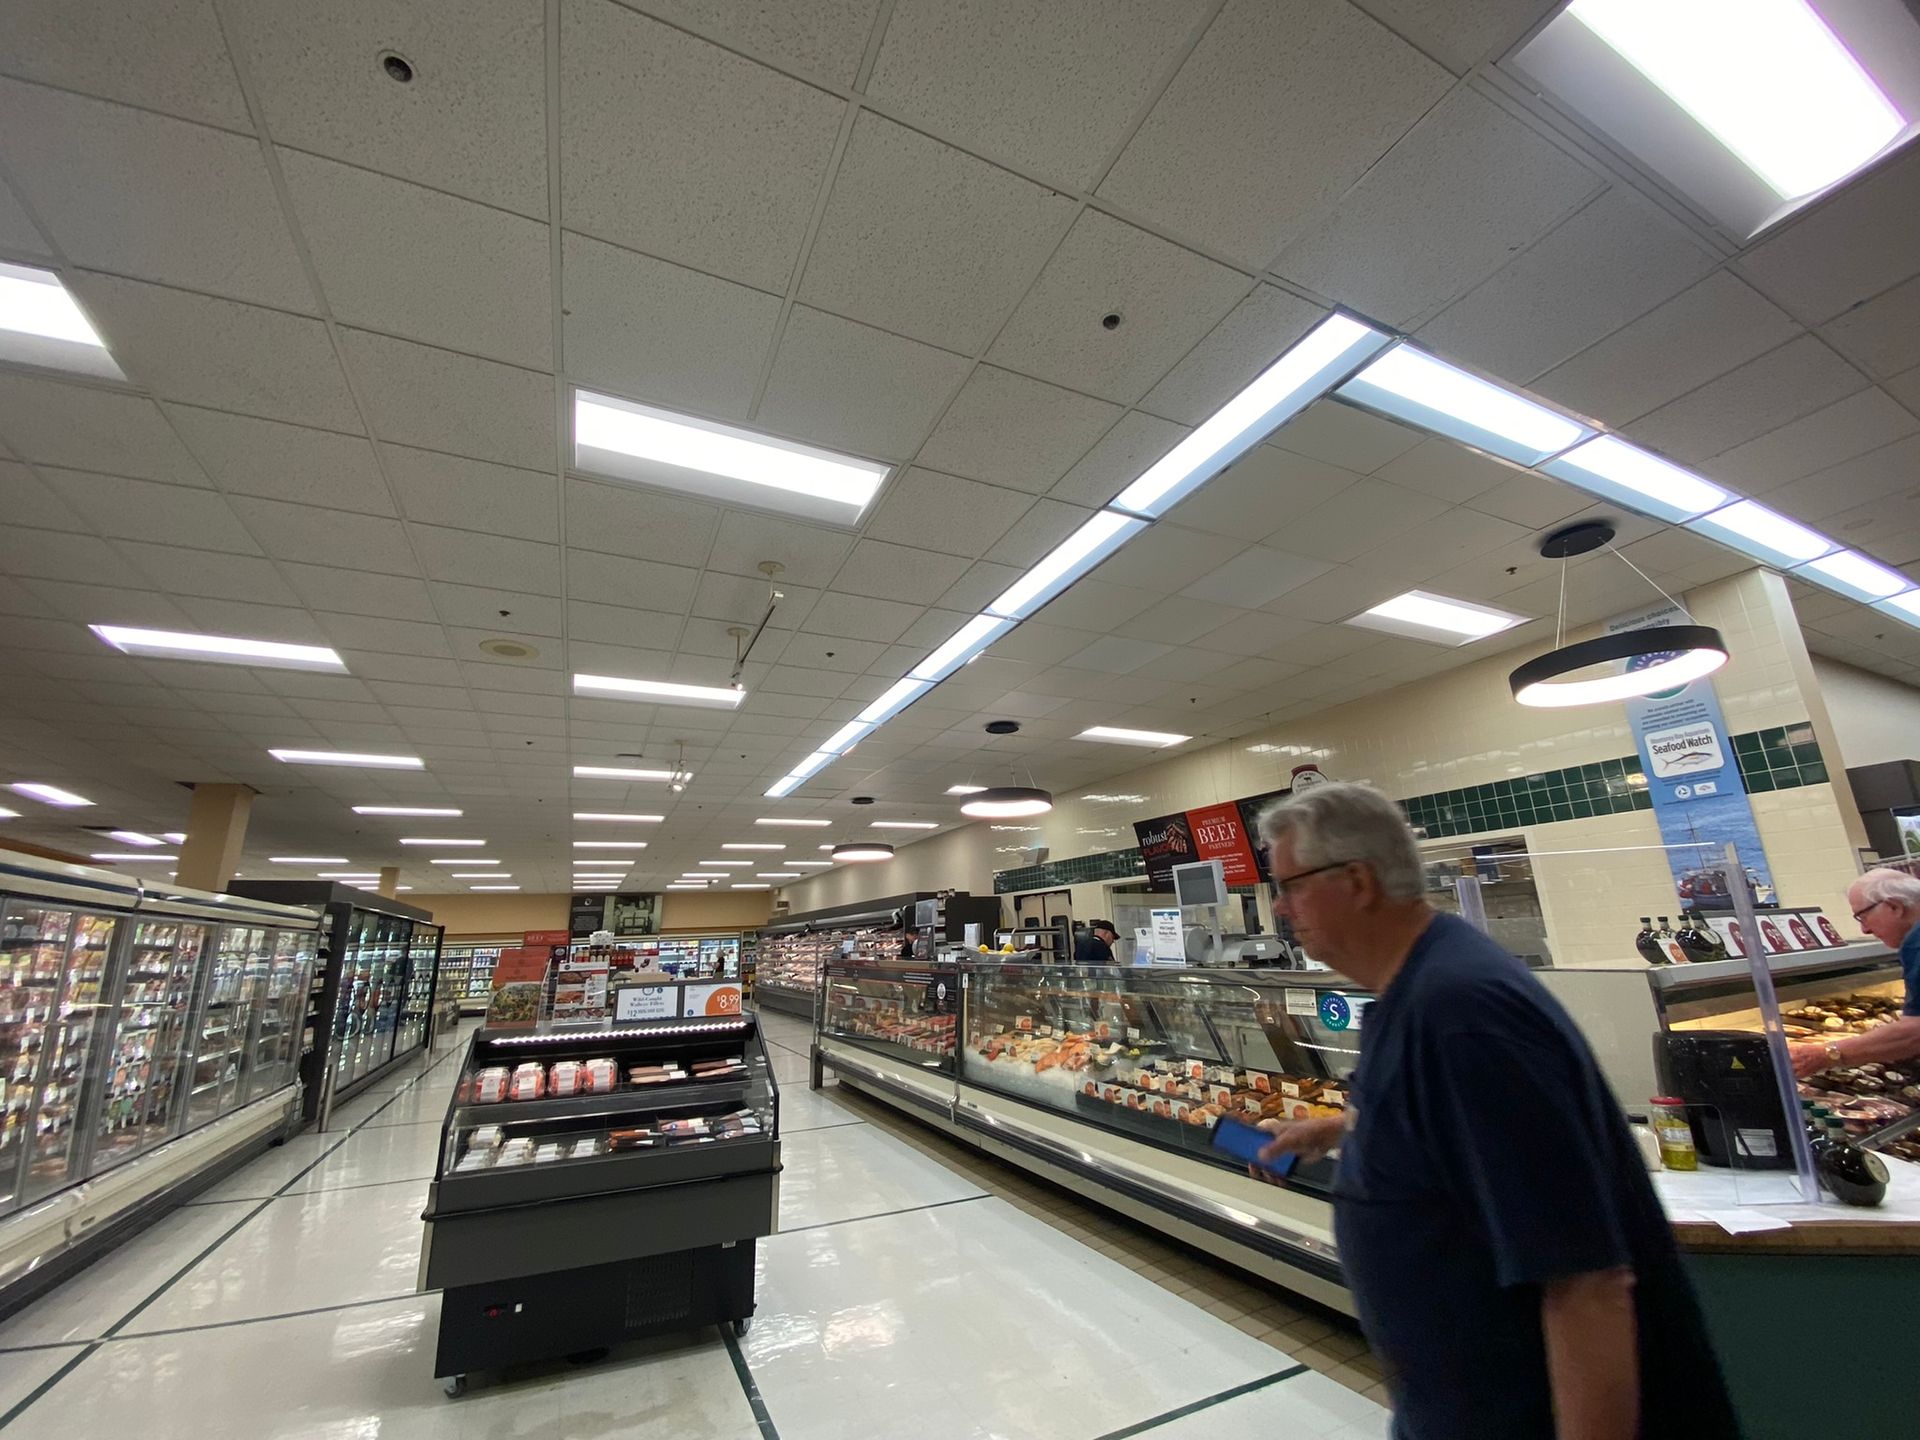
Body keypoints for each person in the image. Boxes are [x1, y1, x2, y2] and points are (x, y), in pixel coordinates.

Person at [1252, 782, 1737, 1440]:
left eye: (1289, 885)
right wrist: (1335, 1130)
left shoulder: (1462, 1013)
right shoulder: (1409, 989)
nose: (1280, 908)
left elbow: (1585, 1281)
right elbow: (1439, 1116)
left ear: (1357, 881)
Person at [1790, 867, 1920, 1077]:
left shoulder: (1917, 944)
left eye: (1862, 917)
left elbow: (1914, 1032)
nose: (1864, 930)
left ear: (1894, 907)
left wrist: (1826, 1054)